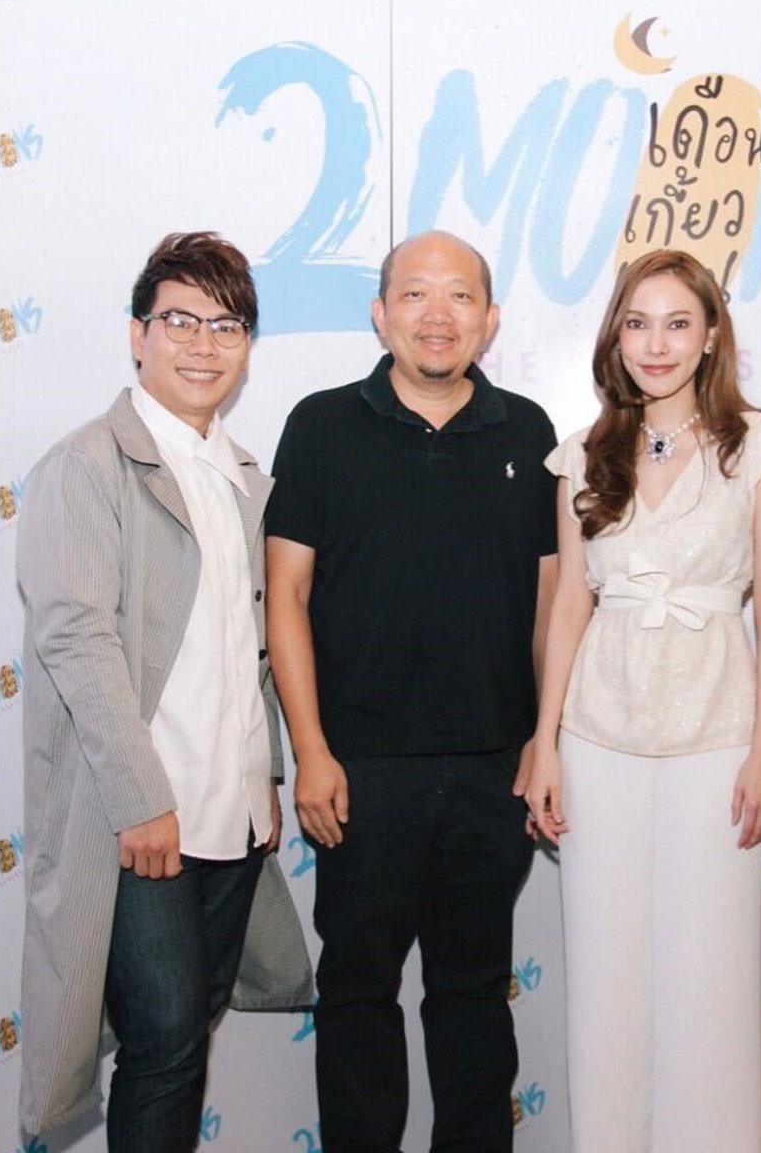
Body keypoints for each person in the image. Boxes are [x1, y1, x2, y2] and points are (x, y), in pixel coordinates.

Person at [16, 232, 313, 1148]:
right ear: (137, 334)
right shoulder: (87, 465)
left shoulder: (246, 478)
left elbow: (249, 649)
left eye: (226, 326)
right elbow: (78, 639)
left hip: (232, 813)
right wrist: (141, 801)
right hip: (143, 817)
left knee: (186, 1029)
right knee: (166, 1038)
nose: (203, 344)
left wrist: (266, 775)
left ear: (247, 347)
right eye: (180, 321)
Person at [265, 230, 558, 1153]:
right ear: (380, 313)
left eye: (460, 296)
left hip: (491, 772)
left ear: (490, 318)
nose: (438, 315)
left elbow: (552, 606)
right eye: (416, 294)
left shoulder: (529, 433)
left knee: (473, 997)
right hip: (360, 774)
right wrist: (311, 752)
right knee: (357, 996)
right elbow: (285, 596)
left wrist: (543, 742)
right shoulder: (321, 426)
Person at [524, 248, 761, 1153]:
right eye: (638, 324)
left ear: (711, 335)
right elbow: (570, 603)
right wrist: (546, 742)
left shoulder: (760, 446)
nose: (657, 344)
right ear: (616, 337)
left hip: (718, 736)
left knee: (712, 981)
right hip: (598, 734)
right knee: (605, 978)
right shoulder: (583, 452)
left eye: (678, 323)